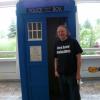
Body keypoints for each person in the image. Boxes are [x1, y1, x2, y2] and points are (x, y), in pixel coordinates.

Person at [54, 25, 83, 100]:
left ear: (66, 32)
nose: (60, 33)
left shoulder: (73, 42)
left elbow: (79, 58)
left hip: (72, 74)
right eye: (58, 32)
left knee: (74, 95)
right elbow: (56, 59)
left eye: (62, 31)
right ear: (57, 33)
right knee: (64, 95)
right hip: (61, 75)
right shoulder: (56, 44)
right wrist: (55, 70)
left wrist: (78, 73)